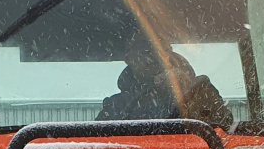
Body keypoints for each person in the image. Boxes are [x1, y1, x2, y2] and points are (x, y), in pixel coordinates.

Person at [99, 37, 232, 129]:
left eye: (159, 49)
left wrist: (186, 87)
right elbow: (95, 141)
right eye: (145, 50)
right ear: (129, 58)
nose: (152, 56)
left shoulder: (200, 89)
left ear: (169, 55)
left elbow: (227, 127)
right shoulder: (115, 105)